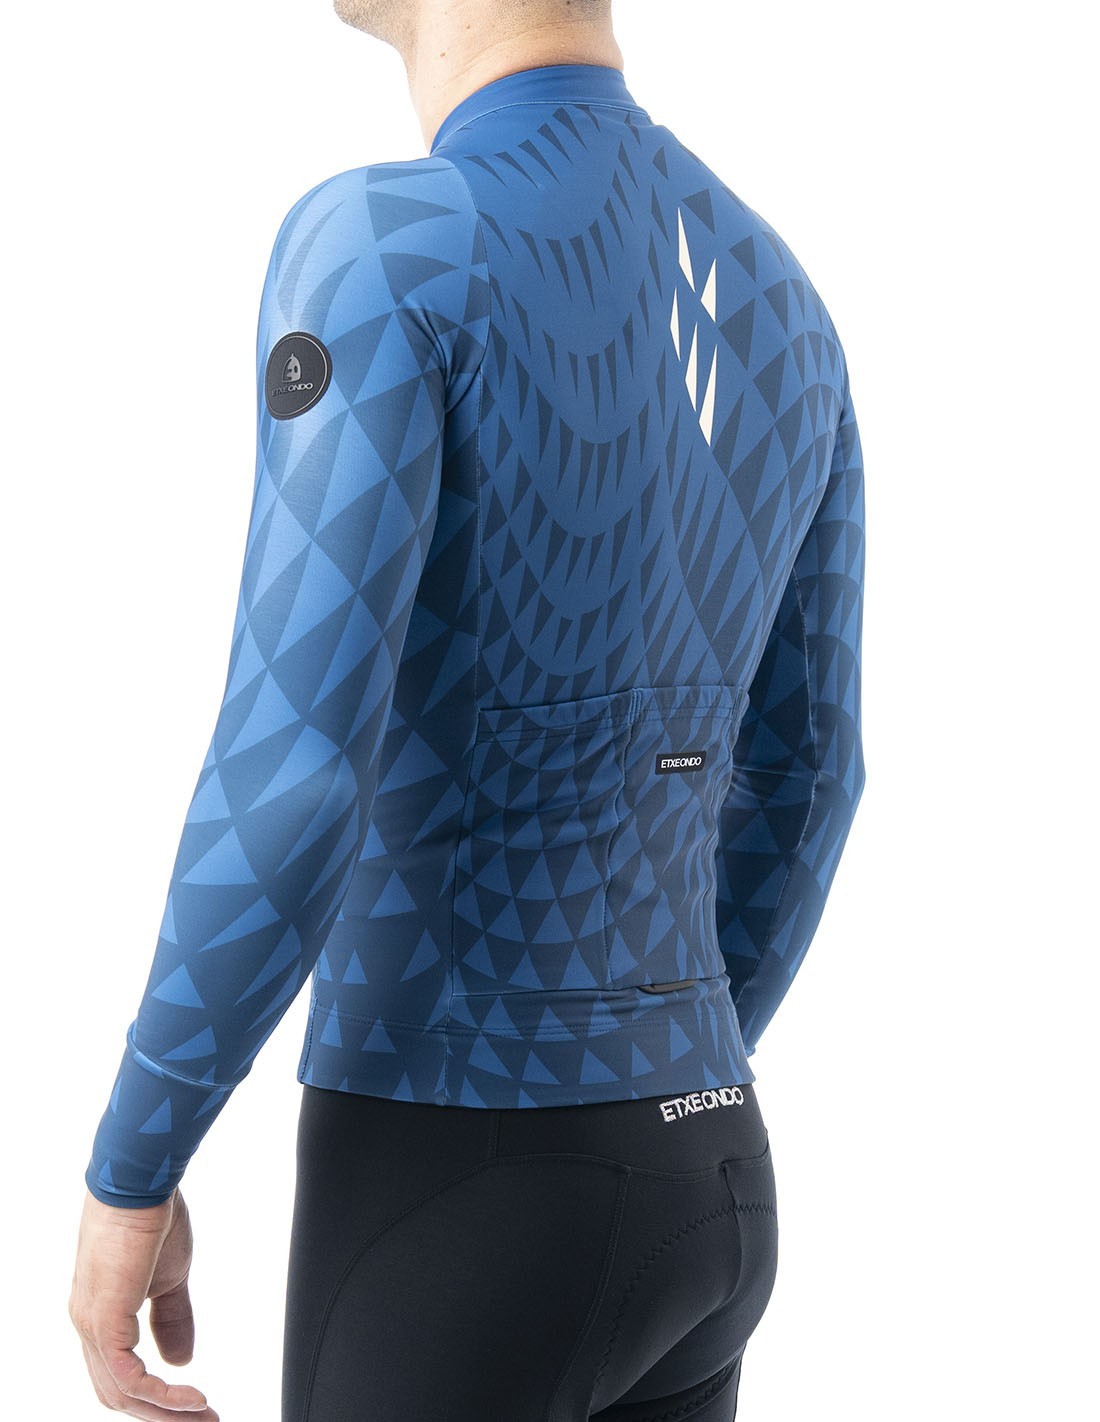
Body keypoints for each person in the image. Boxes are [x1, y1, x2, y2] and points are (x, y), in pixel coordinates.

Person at [69, 1, 866, 1418]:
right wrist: (638, 1085)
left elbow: (297, 768)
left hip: (455, 1198)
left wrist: (134, 1169)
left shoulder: (387, 246)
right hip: (710, 1177)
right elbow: (811, 776)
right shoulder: (785, 301)